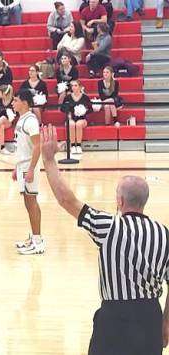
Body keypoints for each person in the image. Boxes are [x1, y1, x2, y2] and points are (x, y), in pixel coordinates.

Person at [39, 125, 169, 355]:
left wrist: (49, 161)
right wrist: (166, 322)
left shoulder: (108, 225)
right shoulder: (163, 233)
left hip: (114, 317)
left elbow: (67, 201)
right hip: (150, 315)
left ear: (119, 200)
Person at [11, 89, 44, 255]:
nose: (12, 103)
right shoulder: (21, 119)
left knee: (31, 203)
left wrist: (30, 169)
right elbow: (21, 145)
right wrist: (15, 167)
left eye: (15, 100)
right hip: (22, 165)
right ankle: (34, 237)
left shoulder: (30, 120)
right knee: (28, 203)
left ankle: (38, 242)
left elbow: (38, 146)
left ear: (24, 102)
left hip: (29, 166)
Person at [61, 79, 92, 156]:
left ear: (80, 87)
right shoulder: (68, 97)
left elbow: (90, 109)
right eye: (72, 86)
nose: (74, 87)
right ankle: (72, 146)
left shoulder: (85, 97)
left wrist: (84, 111)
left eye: (76, 85)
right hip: (70, 118)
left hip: (82, 119)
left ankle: (78, 145)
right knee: (71, 124)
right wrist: (68, 113)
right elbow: (62, 108)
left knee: (78, 124)